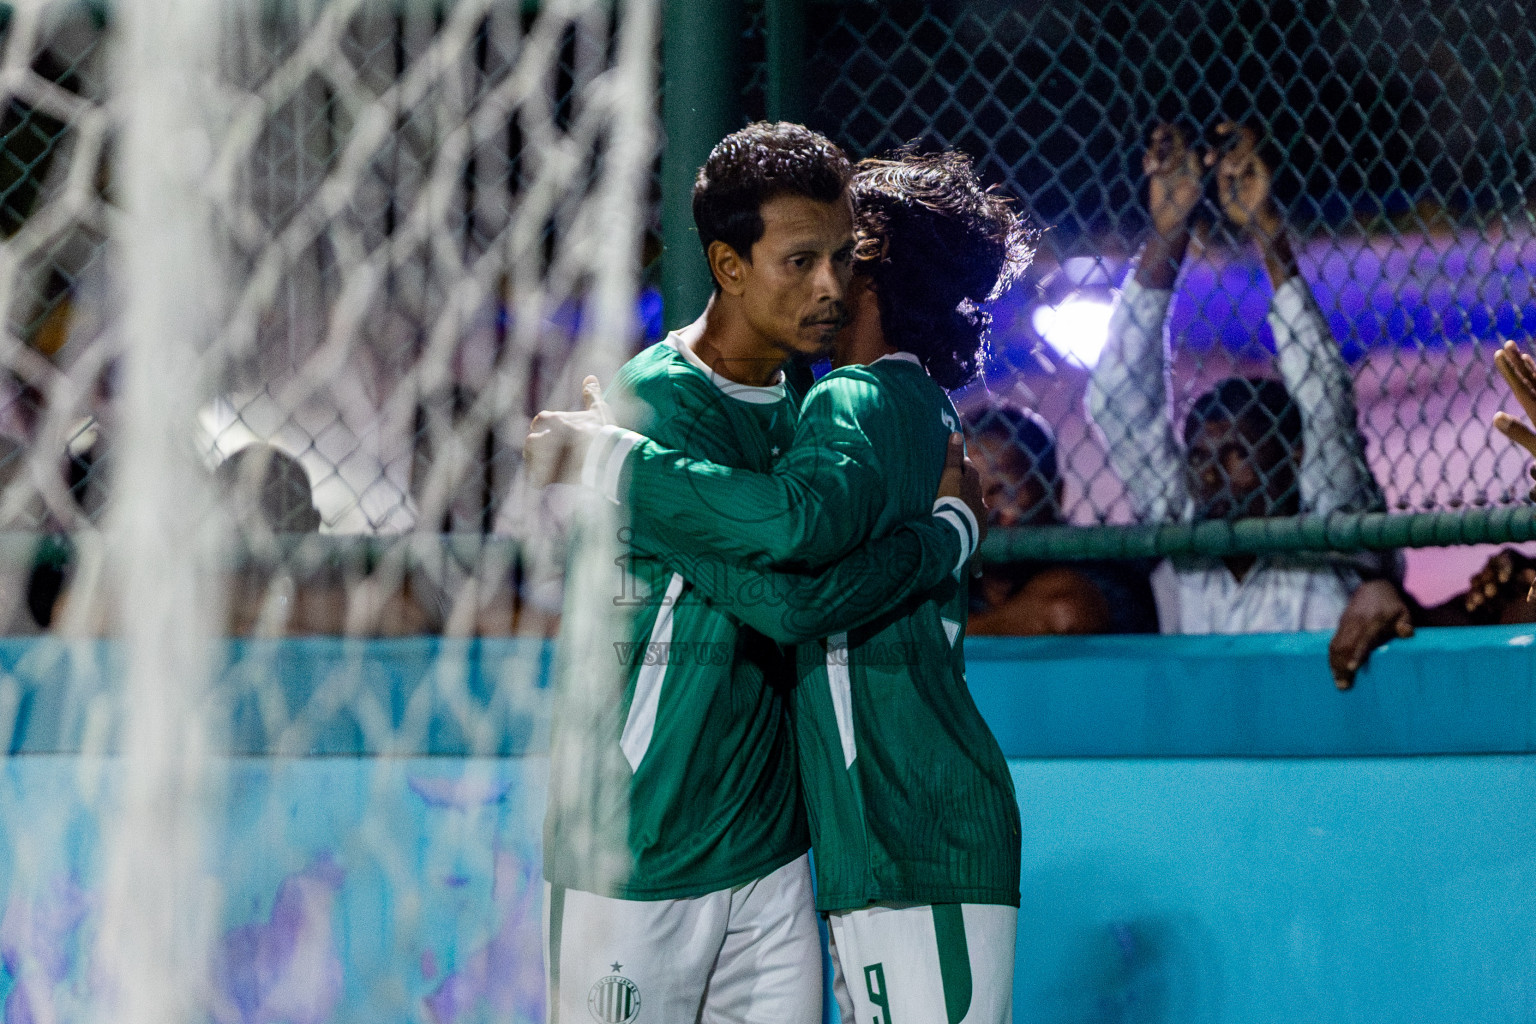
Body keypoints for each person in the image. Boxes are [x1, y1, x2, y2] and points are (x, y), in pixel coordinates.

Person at [540, 148, 1031, 1023]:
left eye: (840, 258)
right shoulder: (662, 395)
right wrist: (948, 536)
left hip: (782, 855)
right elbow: (784, 563)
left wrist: (611, 463)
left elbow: (794, 565)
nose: (827, 285)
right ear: (729, 267)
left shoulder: (834, 403)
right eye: (803, 261)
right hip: (641, 847)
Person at [1088, 122, 1390, 636]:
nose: (1209, 474)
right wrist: (1170, 230)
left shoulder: (1331, 521)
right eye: (1201, 456)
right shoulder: (1189, 535)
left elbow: (1322, 398)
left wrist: (1266, 230)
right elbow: (1116, 399)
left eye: (1236, 455)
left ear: (1293, 455)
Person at [962, 399, 1158, 635]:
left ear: (1054, 492)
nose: (982, 511)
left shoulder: (1099, 564)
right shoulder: (954, 580)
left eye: (1003, 491)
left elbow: (1063, 611)